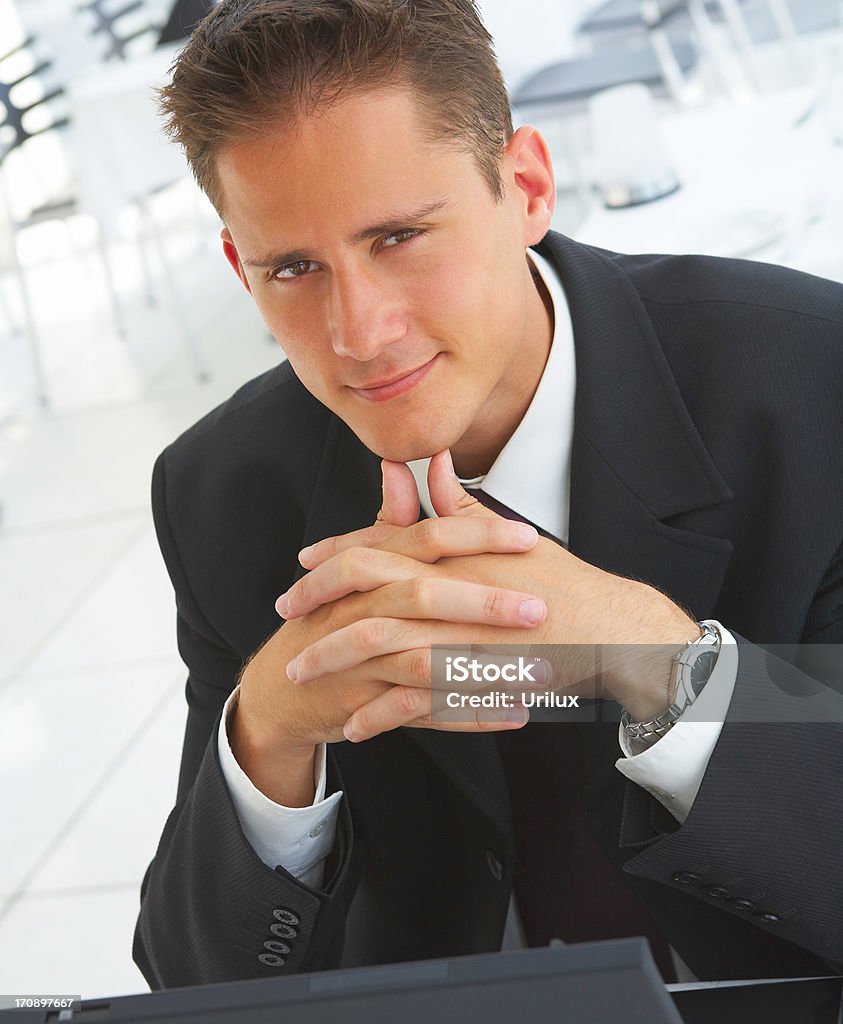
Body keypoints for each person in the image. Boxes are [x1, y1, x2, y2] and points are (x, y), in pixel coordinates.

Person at [134, 0, 843, 990]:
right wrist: (269, 733)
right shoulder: (219, 491)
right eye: (292, 267)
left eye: (398, 237)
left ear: (527, 187)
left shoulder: (812, 386)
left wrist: (658, 660)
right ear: (237, 268)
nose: (359, 332)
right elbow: (194, 987)